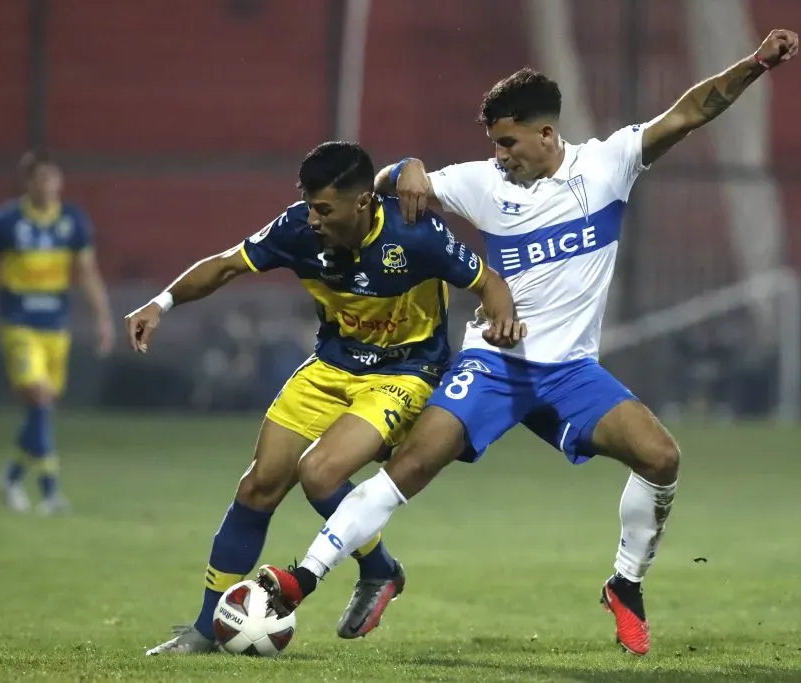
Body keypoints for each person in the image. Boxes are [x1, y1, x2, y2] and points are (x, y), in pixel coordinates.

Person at [257, 30, 800, 656]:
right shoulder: (482, 182)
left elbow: (692, 110)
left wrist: (757, 62)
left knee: (661, 457)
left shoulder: (608, 164)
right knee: (409, 468)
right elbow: (379, 190)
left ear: (547, 134)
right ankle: (303, 579)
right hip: (493, 365)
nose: (499, 155)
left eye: (508, 142)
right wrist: (401, 167)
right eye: (494, 143)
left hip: (569, 372)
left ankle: (626, 585)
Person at [129, 141, 522, 654]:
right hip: (331, 366)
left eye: (323, 208)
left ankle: (376, 570)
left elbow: (487, 281)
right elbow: (227, 265)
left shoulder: (413, 234)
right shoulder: (297, 230)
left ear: (362, 203)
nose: (312, 218)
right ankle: (210, 627)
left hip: (404, 373)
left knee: (319, 473)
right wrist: (161, 303)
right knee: (258, 486)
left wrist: (502, 321)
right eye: (309, 205)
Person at [0, 151, 114, 515]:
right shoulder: (5, 222)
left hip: (55, 330)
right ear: (27, 182)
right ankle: (51, 493)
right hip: (19, 326)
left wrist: (103, 319)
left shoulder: (73, 222)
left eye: (52, 178)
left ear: (59, 181)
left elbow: (87, 273)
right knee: (40, 399)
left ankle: (11, 479)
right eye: (40, 179)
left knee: (40, 412)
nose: (47, 186)